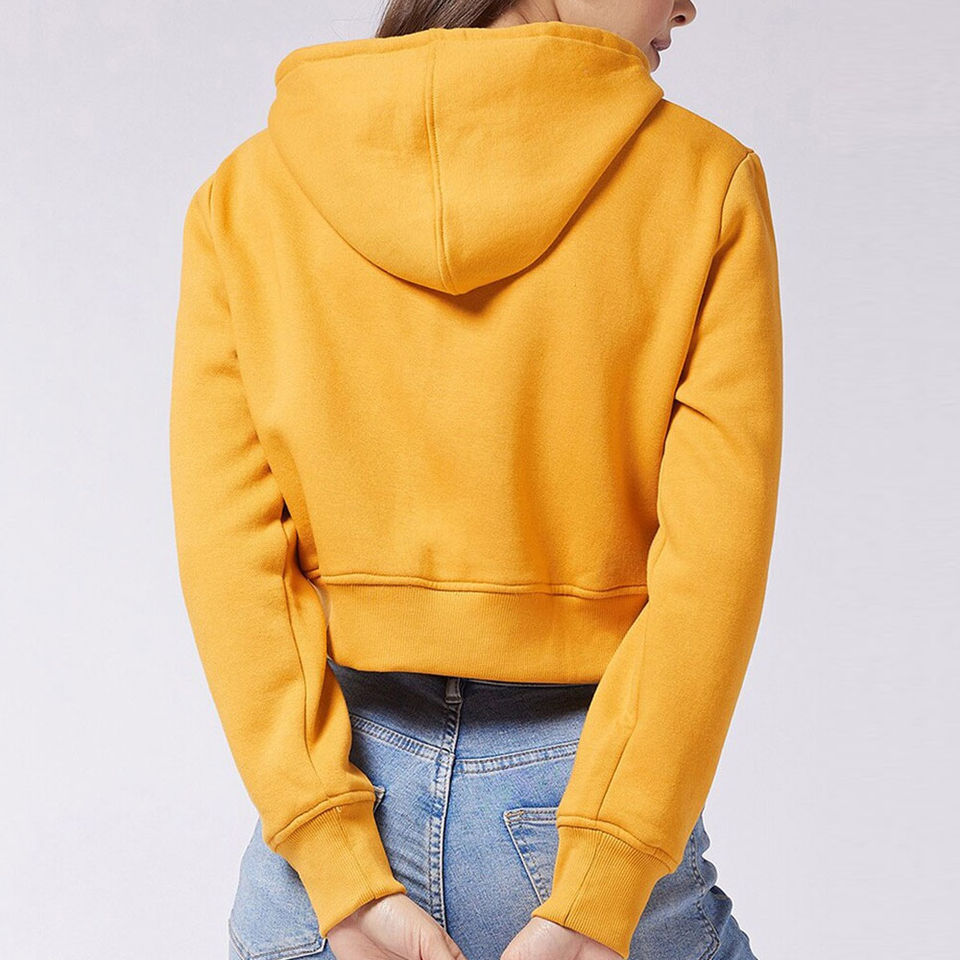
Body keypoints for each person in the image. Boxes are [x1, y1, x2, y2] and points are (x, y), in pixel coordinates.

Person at [168, 1, 783, 959]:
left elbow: (231, 555)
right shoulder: (706, 181)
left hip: (335, 811)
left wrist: (332, 857)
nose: (686, 6)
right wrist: (604, 880)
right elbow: (712, 565)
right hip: (585, 799)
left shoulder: (247, 195)